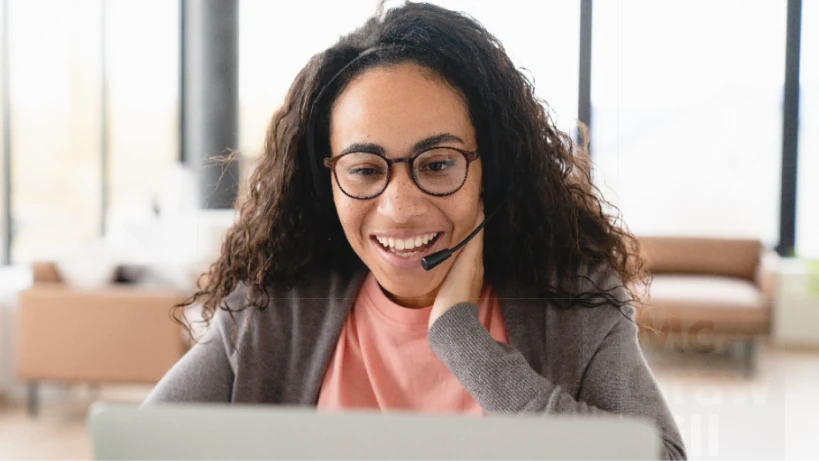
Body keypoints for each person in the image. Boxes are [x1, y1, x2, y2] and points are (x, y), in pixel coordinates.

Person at [145, 3, 685, 460]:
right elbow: (144, 446)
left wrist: (462, 340)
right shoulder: (273, 309)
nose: (400, 207)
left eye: (438, 164)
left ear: (488, 170)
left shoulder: (572, 306)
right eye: (364, 169)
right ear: (327, 179)